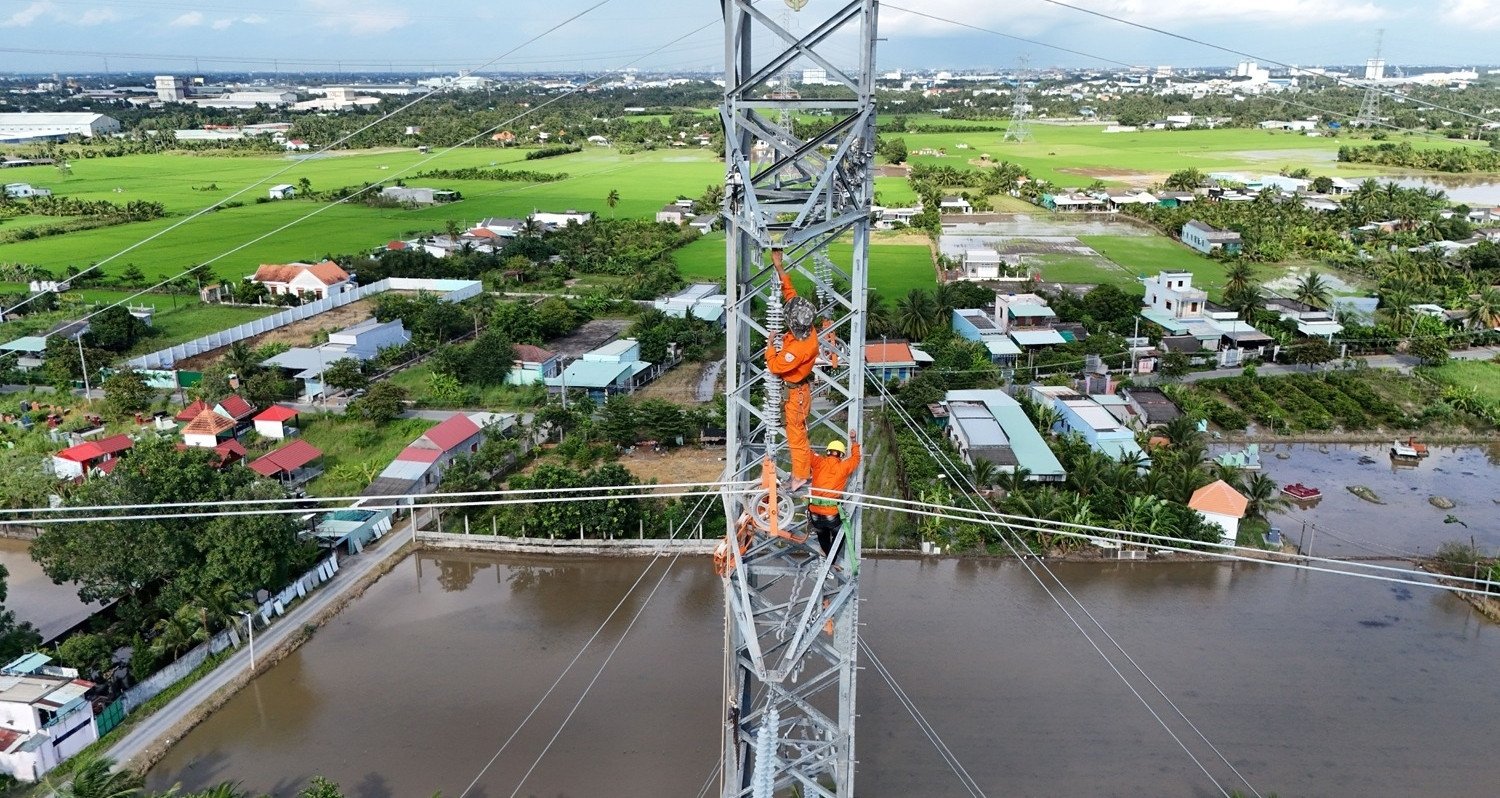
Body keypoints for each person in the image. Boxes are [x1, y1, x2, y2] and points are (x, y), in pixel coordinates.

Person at [764, 248, 823, 491]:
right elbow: (792, 298)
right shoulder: (806, 324)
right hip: (796, 393)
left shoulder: (799, 349)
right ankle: (802, 471)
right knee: (797, 435)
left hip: (796, 395)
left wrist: (770, 346)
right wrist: (779, 267)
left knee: (796, 438)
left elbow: (776, 366)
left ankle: (800, 476)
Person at [808, 434, 860, 560]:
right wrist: (853, 441)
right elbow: (856, 458)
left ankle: (828, 557)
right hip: (831, 512)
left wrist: (804, 432)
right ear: (841, 455)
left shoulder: (818, 462)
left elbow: (806, 451)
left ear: (828, 452)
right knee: (839, 533)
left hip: (814, 511)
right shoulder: (843, 466)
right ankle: (832, 559)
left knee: (822, 532)